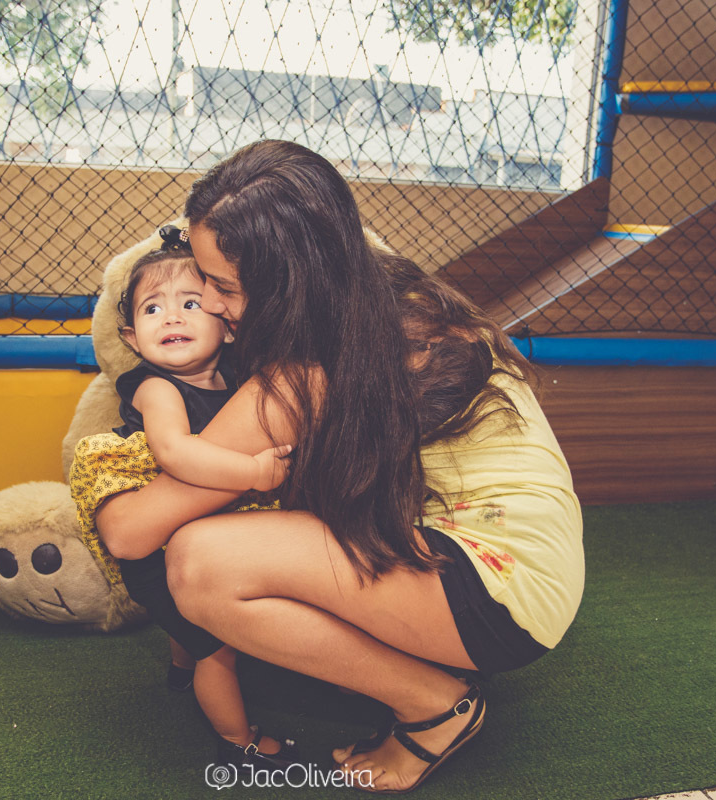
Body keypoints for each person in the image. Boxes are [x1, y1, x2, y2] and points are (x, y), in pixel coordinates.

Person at [94, 140, 584, 793]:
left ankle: (436, 706)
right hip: (533, 571)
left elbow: (131, 533)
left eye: (222, 286)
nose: (206, 303)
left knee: (199, 564)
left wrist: (99, 471)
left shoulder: (307, 374)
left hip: (495, 595)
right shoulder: (392, 295)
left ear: (286, 285)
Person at [69, 230, 297, 768]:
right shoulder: (156, 388)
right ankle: (238, 743)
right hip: (155, 553)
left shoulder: (239, 379)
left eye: (190, 304)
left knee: (187, 624)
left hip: (190, 539)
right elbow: (174, 453)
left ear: (228, 324)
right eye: (152, 309)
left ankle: (178, 665)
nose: (171, 317)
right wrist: (253, 472)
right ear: (132, 337)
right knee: (218, 650)